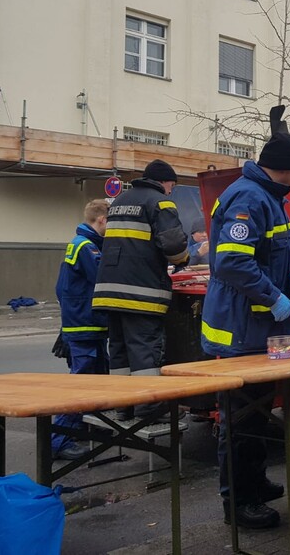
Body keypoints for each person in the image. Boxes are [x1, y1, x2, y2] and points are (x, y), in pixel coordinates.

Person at [201, 105, 290, 530]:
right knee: (240, 416)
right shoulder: (250, 196)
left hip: (267, 330)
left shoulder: (268, 196)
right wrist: (276, 295)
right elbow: (232, 264)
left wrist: (287, 283)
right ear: (284, 170)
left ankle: (255, 482)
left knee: (262, 410)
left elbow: (265, 257)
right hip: (242, 329)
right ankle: (238, 502)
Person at [92, 160, 189, 420]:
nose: (171, 191)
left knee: (120, 349)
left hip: (109, 290)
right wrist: (184, 260)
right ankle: (150, 407)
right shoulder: (160, 202)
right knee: (145, 348)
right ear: (164, 182)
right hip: (140, 291)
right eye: (172, 186)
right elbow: (174, 245)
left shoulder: (120, 201)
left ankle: (124, 406)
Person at [51, 199, 110, 461]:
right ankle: (59, 441)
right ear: (102, 220)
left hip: (84, 324)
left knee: (97, 379)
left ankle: (85, 431)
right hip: (84, 324)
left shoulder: (82, 243)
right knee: (81, 383)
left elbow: (60, 288)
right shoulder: (87, 247)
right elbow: (102, 280)